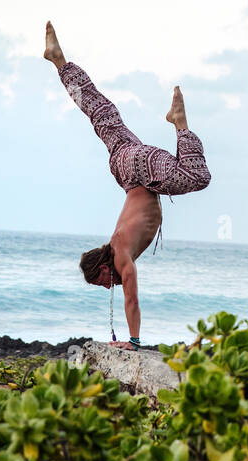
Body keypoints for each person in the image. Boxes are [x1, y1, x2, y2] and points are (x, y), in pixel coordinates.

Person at [43, 21, 211, 350]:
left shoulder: (120, 257)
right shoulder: (117, 245)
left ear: (103, 267)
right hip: (124, 164)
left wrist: (133, 341)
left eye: (103, 282)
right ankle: (59, 61)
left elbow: (132, 301)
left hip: (137, 170)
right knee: (99, 111)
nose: (109, 287)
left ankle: (180, 124)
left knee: (196, 177)